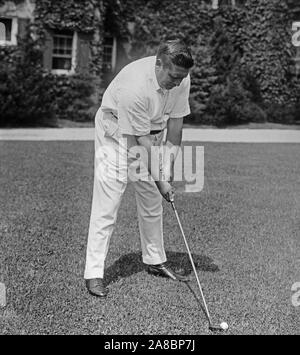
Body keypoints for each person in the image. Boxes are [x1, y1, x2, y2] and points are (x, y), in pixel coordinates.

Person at [84, 38, 194, 298]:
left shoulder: (182, 78)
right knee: (107, 205)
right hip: (115, 136)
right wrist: (162, 182)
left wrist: (166, 171)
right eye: (173, 77)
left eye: (182, 78)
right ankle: (93, 273)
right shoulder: (134, 86)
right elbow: (140, 141)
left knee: (152, 201)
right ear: (159, 64)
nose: (177, 83)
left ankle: (155, 260)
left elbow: (175, 130)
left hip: (151, 136)